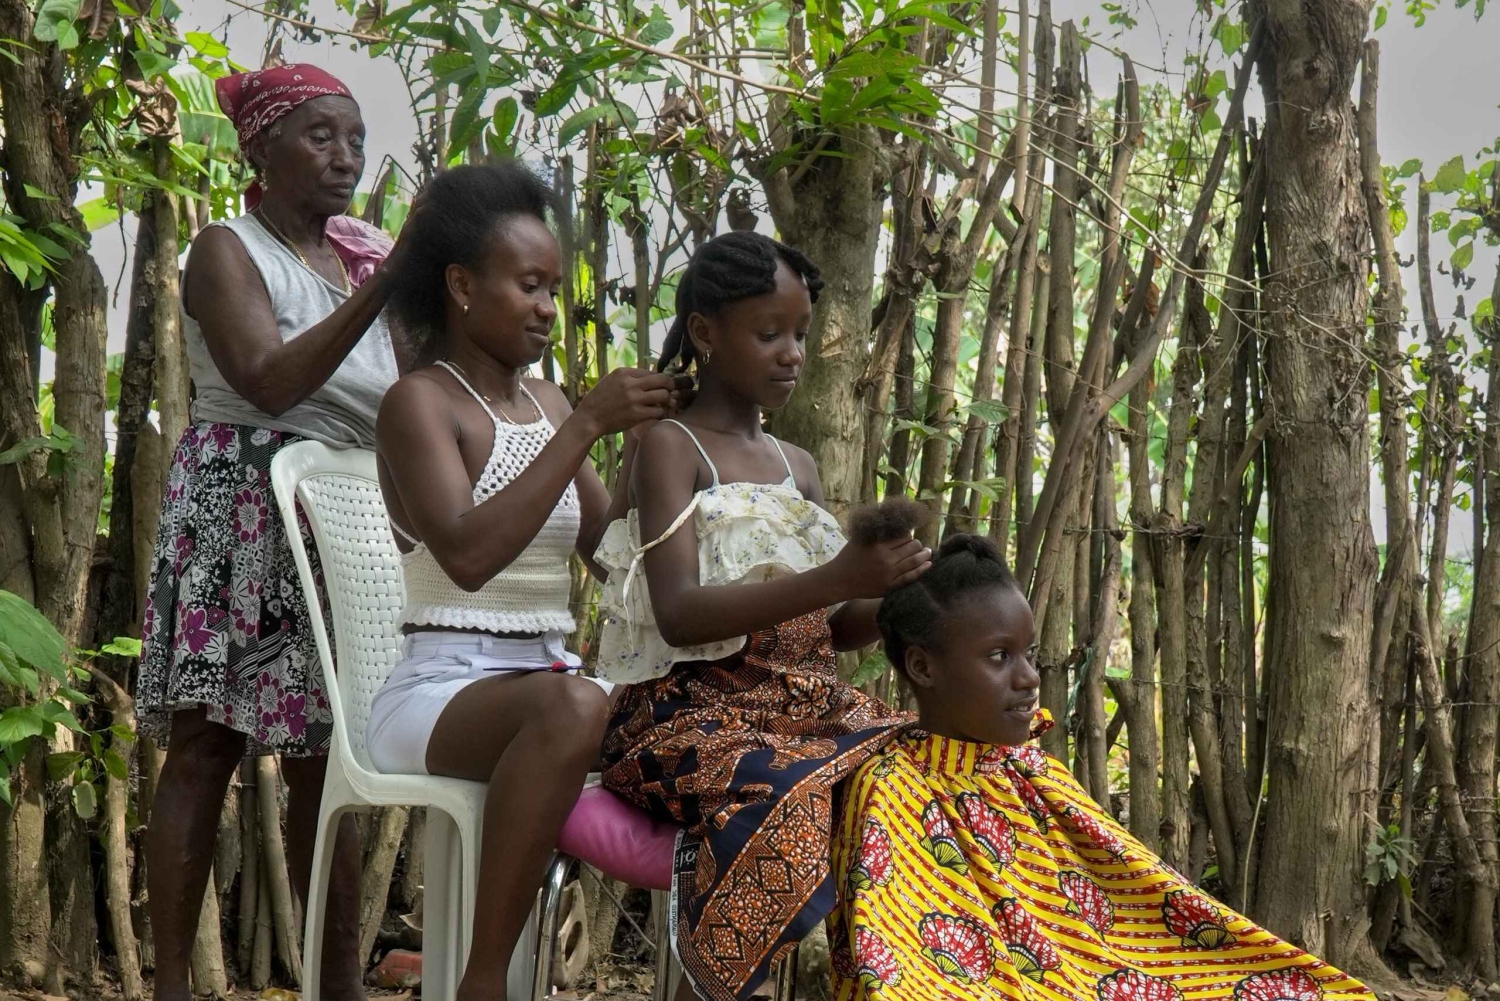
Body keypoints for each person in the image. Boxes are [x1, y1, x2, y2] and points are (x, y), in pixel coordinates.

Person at [364, 162, 689, 1001]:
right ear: (463, 286)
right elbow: (469, 555)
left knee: (688, 710)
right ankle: (482, 982)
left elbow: (606, 550)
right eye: (530, 285)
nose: (549, 308)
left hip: (545, 691)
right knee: (577, 702)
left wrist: (669, 443)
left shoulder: (544, 402)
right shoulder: (421, 404)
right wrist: (585, 424)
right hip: (439, 692)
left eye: (554, 287)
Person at [593, 232, 931, 1001]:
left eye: (801, 336)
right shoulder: (670, 449)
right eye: (769, 332)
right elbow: (677, 615)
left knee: (919, 774)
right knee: (786, 791)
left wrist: (902, 589)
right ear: (707, 333)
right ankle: (713, 990)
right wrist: (839, 574)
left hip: (803, 707)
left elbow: (837, 625)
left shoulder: (796, 464)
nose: (791, 354)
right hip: (689, 712)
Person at [828, 534, 1377, 1001]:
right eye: (999, 657)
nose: (1028, 678)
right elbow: (900, 970)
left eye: (1028, 653)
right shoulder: (888, 788)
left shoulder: (1028, 770)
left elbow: (1149, 910)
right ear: (923, 666)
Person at [136, 64, 408, 1001]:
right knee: (207, 740)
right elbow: (266, 378)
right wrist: (383, 290)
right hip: (240, 505)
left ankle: (338, 987)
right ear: (259, 147)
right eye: (319, 137)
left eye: (355, 140)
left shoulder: (363, 255)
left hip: (344, 521)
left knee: (328, 757)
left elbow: (413, 393)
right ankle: (171, 984)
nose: (345, 159)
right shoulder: (226, 248)